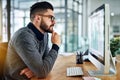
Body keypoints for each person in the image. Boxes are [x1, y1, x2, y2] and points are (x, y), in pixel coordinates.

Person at [4, 1, 61, 80]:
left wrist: (35, 70)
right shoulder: (23, 37)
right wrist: (56, 46)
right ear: (38, 18)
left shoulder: (45, 35)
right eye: (51, 18)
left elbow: (45, 62)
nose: (54, 22)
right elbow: (42, 71)